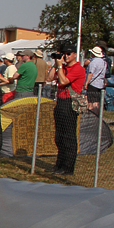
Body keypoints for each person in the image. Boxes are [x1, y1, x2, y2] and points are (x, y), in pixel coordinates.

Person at [47, 44, 84, 176]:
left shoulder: (77, 69)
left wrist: (60, 67)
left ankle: (68, 167)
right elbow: (50, 78)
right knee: (59, 136)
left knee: (68, 136)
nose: (66, 56)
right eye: (64, 54)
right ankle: (59, 163)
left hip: (70, 103)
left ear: (75, 54)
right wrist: (55, 64)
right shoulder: (63, 67)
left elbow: (63, 81)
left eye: (68, 54)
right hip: (60, 102)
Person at [85, 45, 108, 115]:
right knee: (97, 102)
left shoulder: (93, 62)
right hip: (100, 84)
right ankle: (97, 115)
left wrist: (86, 83)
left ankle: (92, 115)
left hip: (93, 83)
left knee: (91, 101)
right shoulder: (104, 62)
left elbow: (91, 73)